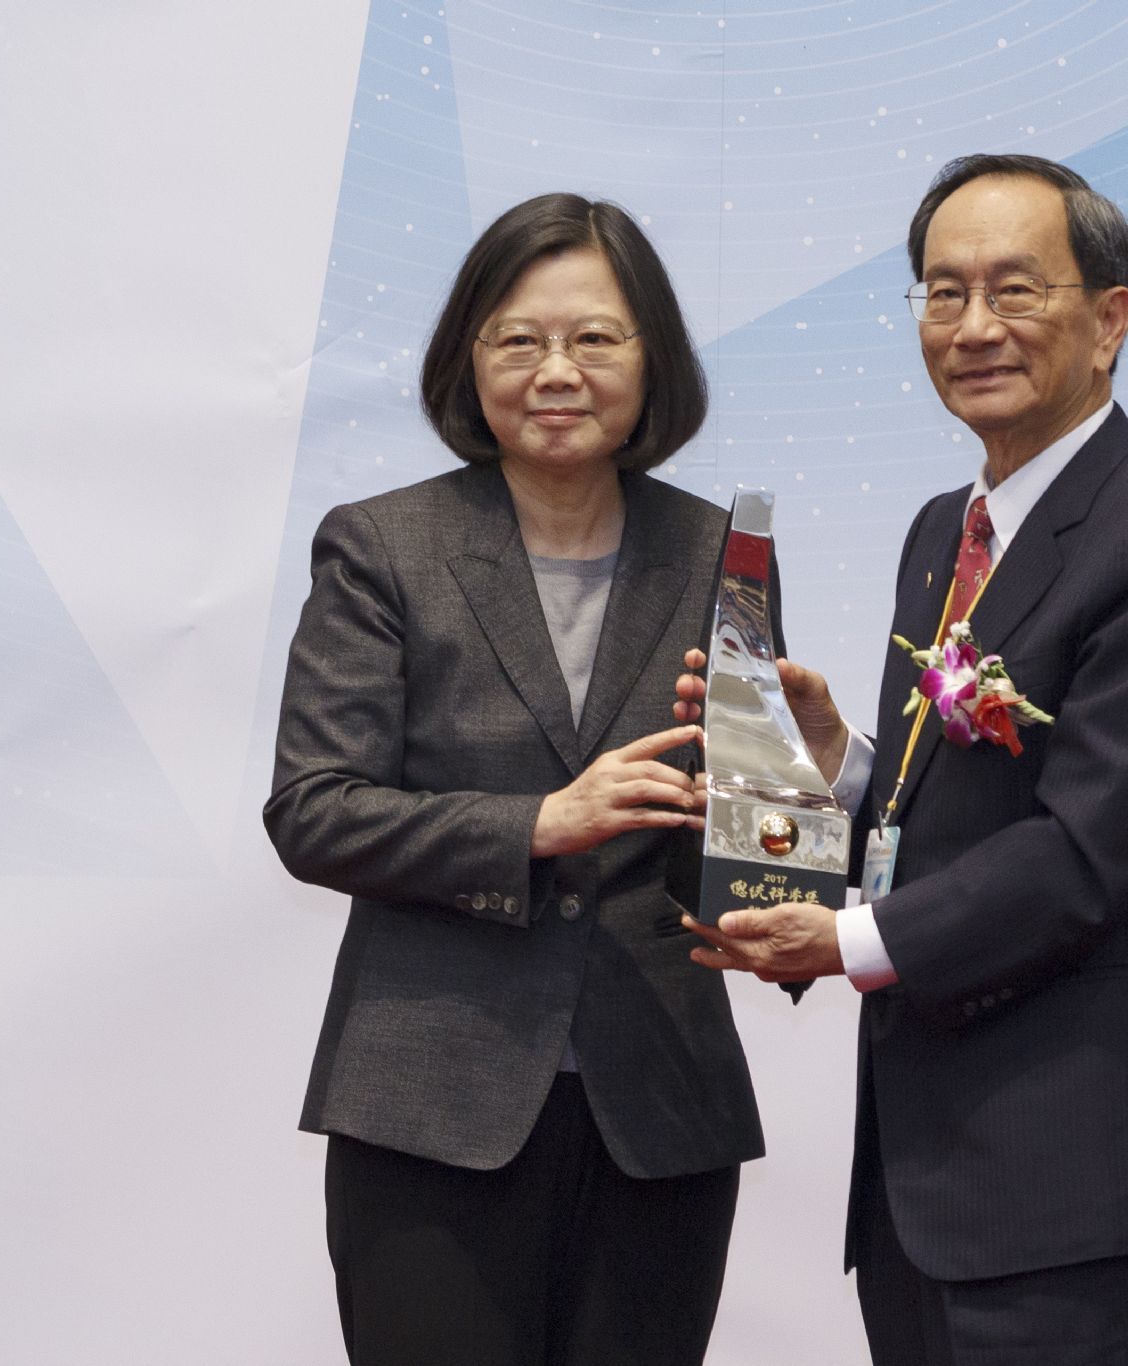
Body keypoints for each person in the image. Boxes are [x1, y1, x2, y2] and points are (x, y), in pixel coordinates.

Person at [681, 154, 1128, 1364]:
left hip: (1075, 1186)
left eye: (1014, 288)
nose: (973, 325)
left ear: (1108, 319)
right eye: (941, 292)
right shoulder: (942, 534)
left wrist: (843, 942)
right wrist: (837, 763)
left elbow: (1087, 855)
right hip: (922, 1182)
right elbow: (947, 818)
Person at [265, 193, 770, 1366]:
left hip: (661, 1107)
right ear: (468, 357)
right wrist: (539, 822)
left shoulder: (719, 551)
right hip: (430, 1105)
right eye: (518, 339)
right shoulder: (382, 547)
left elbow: (744, 823)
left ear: (651, 360)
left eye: (594, 337)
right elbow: (314, 809)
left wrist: (787, 833)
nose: (556, 371)